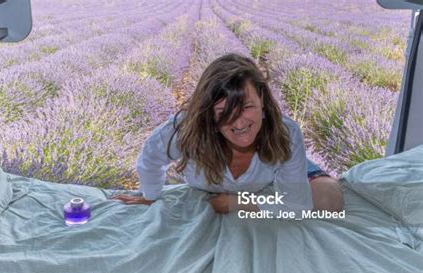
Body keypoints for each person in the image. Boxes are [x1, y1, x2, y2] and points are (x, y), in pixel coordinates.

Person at [112, 53, 344, 215]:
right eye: (224, 111)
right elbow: (151, 158)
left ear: (262, 99)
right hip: (262, 164)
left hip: (275, 158)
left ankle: (301, 165)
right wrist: (150, 195)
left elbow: (296, 206)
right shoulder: (182, 131)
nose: (239, 121)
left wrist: (239, 203)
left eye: (246, 106)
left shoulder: (285, 133)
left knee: (328, 202)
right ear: (207, 113)